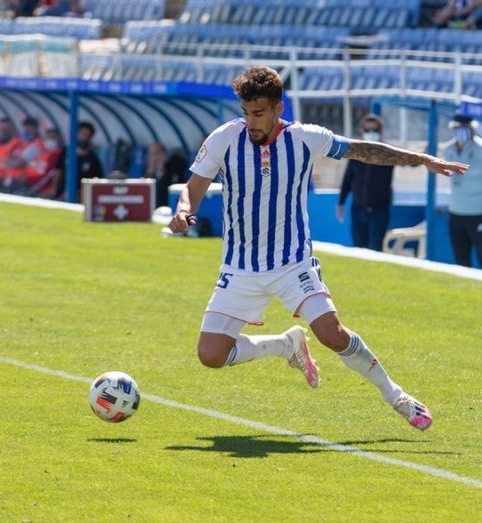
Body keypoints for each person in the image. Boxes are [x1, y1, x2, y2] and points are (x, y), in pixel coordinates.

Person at [169, 66, 468, 431]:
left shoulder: (306, 138)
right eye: (246, 113)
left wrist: (420, 159)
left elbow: (363, 151)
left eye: (259, 113)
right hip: (240, 267)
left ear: (279, 108)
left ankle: (396, 396)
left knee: (333, 335)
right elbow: (194, 184)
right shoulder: (224, 139)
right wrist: (185, 210)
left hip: (293, 264)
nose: (251, 121)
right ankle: (284, 346)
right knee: (211, 356)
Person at [336, 114, 393, 252]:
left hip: (379, 211)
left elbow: (408, 161)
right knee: (359, 250)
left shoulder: (388, 153)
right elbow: (348, 179)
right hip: (358, 210)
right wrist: (341, 202)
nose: (370, 134)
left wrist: (423, 156)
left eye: (374, 130)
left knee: (375, 250)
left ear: (381, 132)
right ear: (361, 131)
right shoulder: (356, 153)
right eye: (367, 130)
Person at [442, 112, 482, 267]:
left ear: (472, 129)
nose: (461, 131)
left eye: (465, 127)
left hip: (478, 212)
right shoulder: (448, 149)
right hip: (456, 212)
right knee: (460, 259)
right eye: (458, 127)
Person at [51, 120, 103, 201]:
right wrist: (54, 191)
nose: (84, 137)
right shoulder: (66, 152)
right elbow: (58, 172)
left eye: (87, 135)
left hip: (82, 195)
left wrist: (83, 194)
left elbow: (97, 180)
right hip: (62, 193)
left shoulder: (93, 158)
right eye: (82, 134)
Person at [144, 141, 189, 208]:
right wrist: (151, 170)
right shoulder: (151, 167)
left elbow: (170, 186)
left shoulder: (174, 163)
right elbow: (145, 188)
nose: (153, 157)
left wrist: (163, 167)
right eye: (151, 154)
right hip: (155, 203)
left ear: (163, 153)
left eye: (155, 153)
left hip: (167, 201)